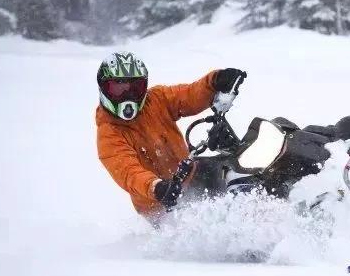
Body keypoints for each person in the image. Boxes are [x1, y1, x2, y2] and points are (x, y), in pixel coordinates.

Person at [95, 51, 246, 219]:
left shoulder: (156, 99)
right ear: (104, 89)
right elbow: (129, 172)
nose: (127, 97)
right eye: (118, 89)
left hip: (190, 173)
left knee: (240, 171)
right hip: (161, 204)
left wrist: (215, 81)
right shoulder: (109, 134)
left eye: (135, 88)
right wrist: (156, 187)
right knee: (212, 223)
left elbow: (189, 95)